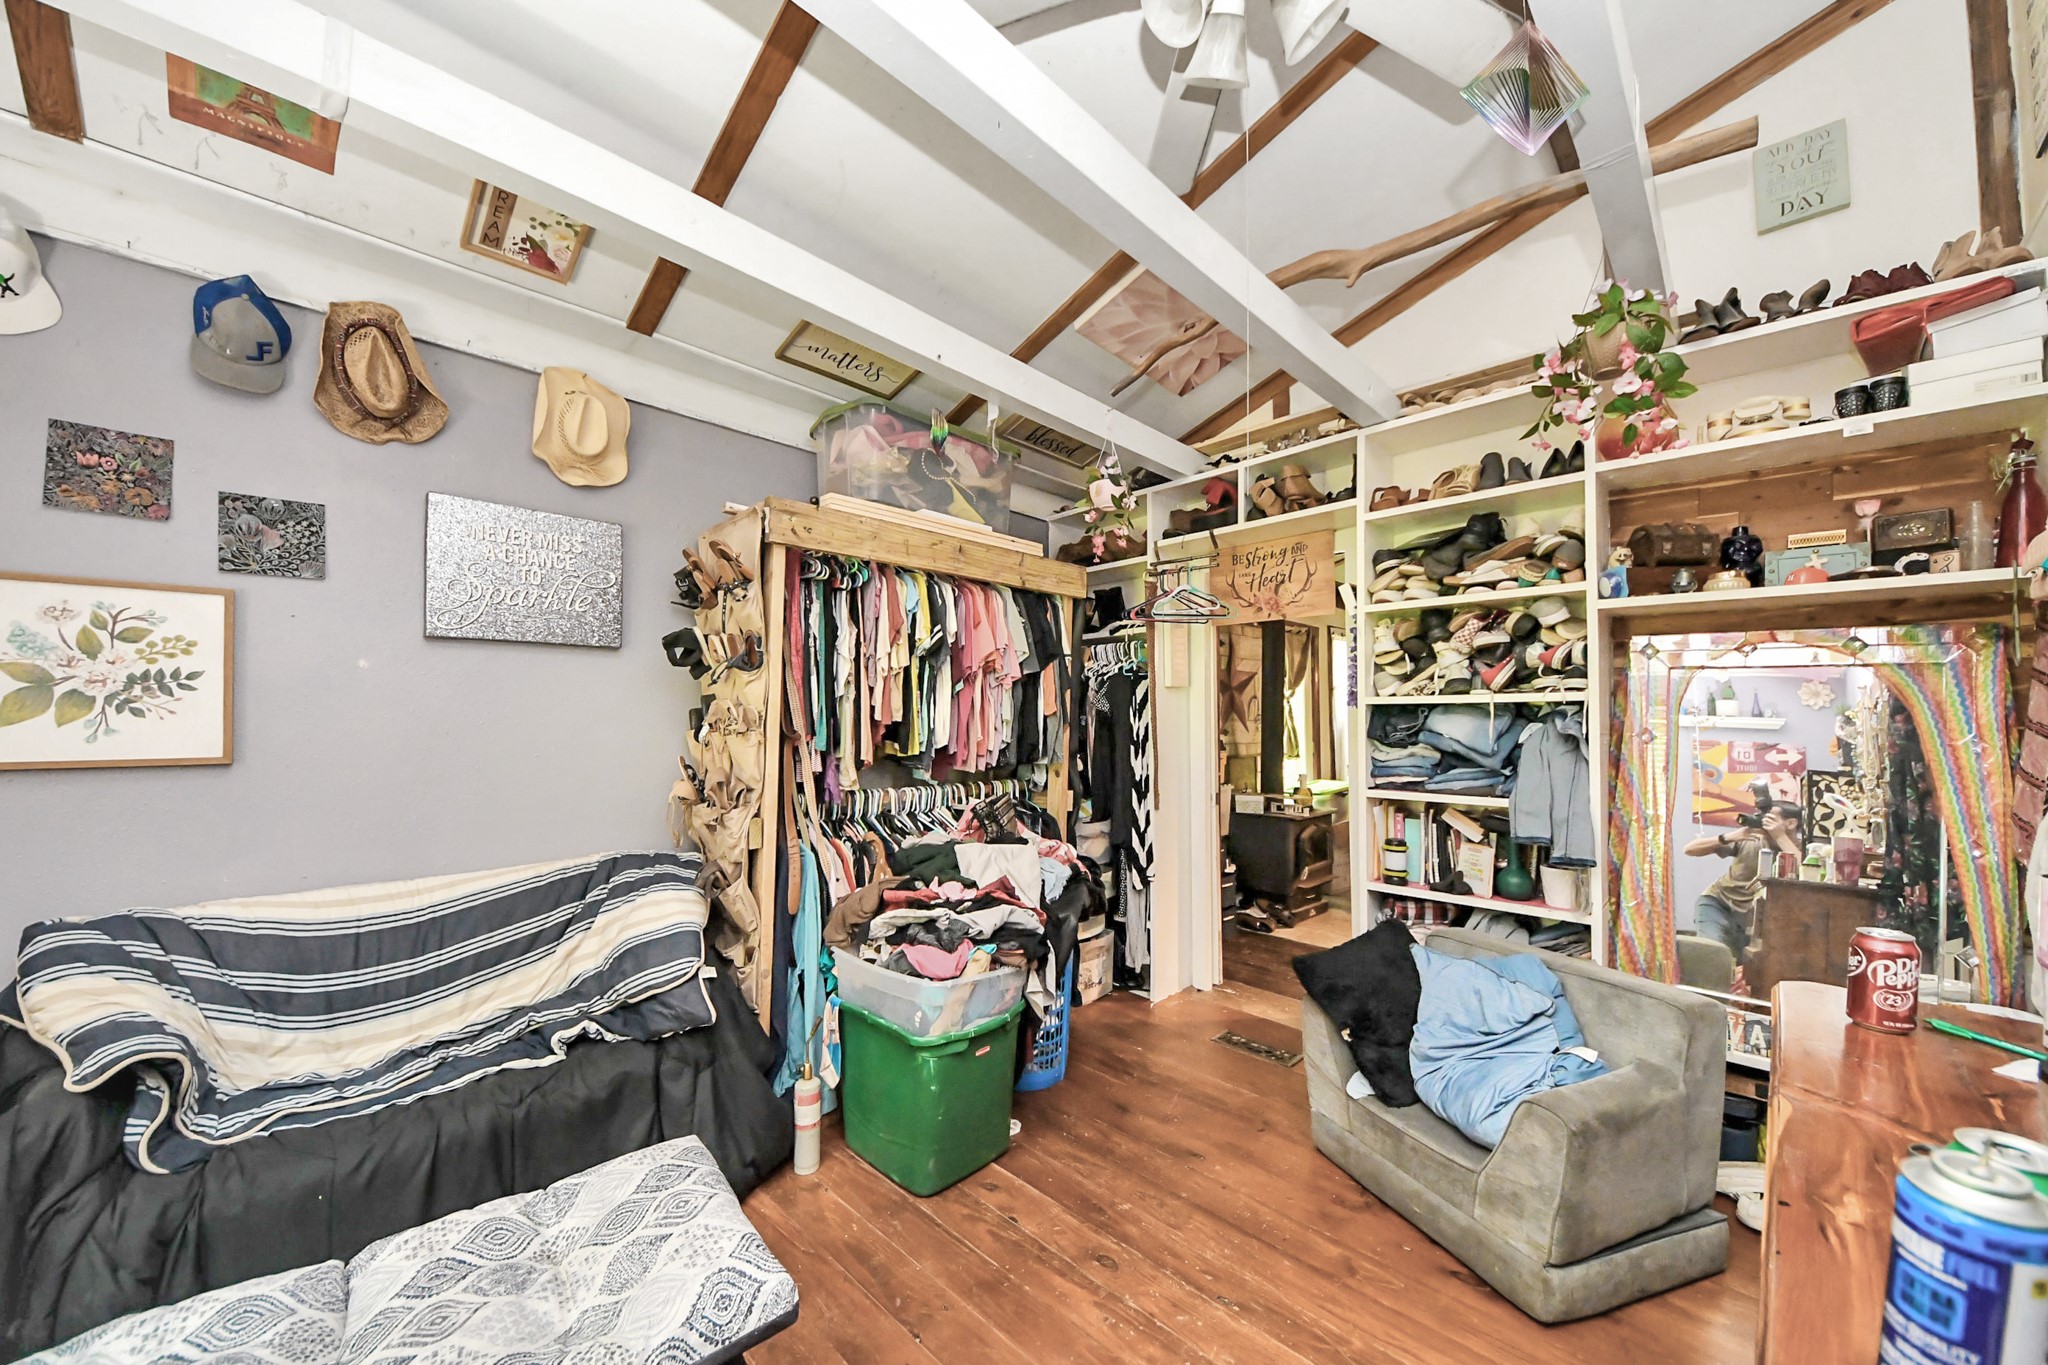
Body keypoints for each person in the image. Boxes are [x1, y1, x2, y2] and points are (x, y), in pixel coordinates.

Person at [1685, 804, 1803, 962]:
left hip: (1756, 918)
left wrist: (1780, 837)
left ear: (1791, 823)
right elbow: (1689, 849)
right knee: (1711, 953)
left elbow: (1805, 870)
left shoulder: (1803, 849)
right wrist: (1728, 837)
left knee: (1749, 965)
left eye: (1770, 818)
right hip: (1719, 904)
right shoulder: (1751, 839)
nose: (1764, 822)